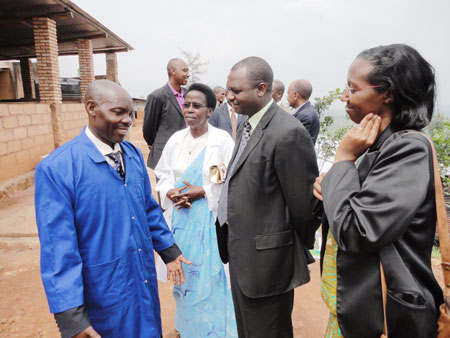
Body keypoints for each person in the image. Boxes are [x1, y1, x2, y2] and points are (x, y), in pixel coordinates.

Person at [35, 80, 190, 338]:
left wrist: (169, 250)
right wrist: (71, 318)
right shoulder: (58, 168)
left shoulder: (131, 154)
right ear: (92, 108)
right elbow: (57, 248)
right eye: (118, 112)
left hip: (141, 279)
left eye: (130, 113)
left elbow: (149, 210)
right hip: (102, 291)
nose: (128, 120)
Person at [313, 44, 444, 338]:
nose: (343, 97)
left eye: (352, 88)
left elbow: (357, 230)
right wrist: (330, 184)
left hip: (382, 319)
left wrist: (344, 162)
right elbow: (348, 207)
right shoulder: (374, 145)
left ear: (388, 93)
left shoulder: (408, 149)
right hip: (355, 313)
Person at [216, 57, 319, 337]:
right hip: (242, 254)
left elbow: (305, 207)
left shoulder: (288, 132)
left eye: (236, 91)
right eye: (228, 91)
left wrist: (283, 249)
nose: (229, 98)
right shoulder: (249, 125)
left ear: (261, 89)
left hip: (268, 265)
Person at [155, 83, 237, 337]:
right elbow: (163, 173)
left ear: (210, 111)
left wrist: (201, 191)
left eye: (197, 106)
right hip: (181, 219)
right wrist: (171, 192)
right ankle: (189, 327)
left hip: (208, 220)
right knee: (185, 275)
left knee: (210, 279)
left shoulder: (219, 140)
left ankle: (214, 330)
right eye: (187, 104)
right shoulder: (176, 140)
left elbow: (225, 176)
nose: (190, 110)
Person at [143, 58, 190, 169]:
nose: (188, 74)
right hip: (165, 155)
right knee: (167, 186)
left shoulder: (189, 95)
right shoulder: (157, 96)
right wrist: (155, 144)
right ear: (173, 71)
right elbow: (149, 127)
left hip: (188, 153)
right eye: (184, 70)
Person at [287, 79, 320, 144]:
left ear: (295, 95)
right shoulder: (306, 111)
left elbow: (293, 142)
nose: (287, 97)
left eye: (288, 93)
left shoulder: (305, 116)